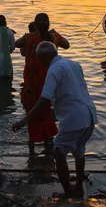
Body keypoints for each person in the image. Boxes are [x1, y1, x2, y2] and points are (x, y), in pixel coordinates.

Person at [13, 41, 97, 199]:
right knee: (79, 151)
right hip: (90, 115)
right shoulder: (74, 64)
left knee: (58, 152)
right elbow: (72, 91)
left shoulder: (53, 70)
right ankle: (78, 188)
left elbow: (44, 99)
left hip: (75, 119)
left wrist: (24, 120)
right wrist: (55, 111)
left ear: (43, 58)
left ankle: (68, 193)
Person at [15, 13, 70, 153]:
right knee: (45, 112)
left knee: (31, 111)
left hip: (31, 85)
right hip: (49, 83)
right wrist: (56, 34)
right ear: (48, 24)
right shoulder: (54, 37)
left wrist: (30, 36)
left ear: (35, 24)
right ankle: (48, 142)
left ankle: (32, 146)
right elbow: (67, 45)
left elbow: (16, 44)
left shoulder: (29, 38)